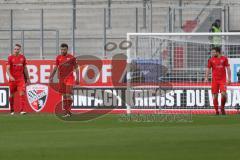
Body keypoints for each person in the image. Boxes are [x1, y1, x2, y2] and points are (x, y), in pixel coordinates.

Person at [49, 43, 79, 117]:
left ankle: (67, 111)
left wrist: (78, 78)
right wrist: (51, 76)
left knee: (68, 95)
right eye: (61, 49)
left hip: (70, 78)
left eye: (64, 49)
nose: (62, 51)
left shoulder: (72, 58)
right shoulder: (58, 57)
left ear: (67, 50)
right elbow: (55, 67)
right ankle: (67, 111)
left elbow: (76, 68)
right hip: (61, 79)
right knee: (64, 96)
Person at [204, 47, 231, 115]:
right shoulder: (211, 60)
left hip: (223, 80)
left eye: (213, 52)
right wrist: (206, 77)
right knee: (215, 96)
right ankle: (216, 111)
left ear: (218, 52)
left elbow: (228, 68)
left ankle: (222, 108)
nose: (212, 53)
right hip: (214, 81)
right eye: (212, 52)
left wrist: (229, 78)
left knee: (223, 94)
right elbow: (208, 69)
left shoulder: (224, 59)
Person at [6, 44, 30, 115]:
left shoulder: (22, 57)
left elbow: (25, 68)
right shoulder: (10, 57)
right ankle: (12, 110)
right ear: (13, 49)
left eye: (18, 49)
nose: (16, 50)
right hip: (12, 80)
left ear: (20, 50)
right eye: (15, 49)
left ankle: (22, 110)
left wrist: (28, 78)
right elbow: (7, 68)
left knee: (22, 93)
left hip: (21, 79)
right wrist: (10, 76)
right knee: (12, 95)